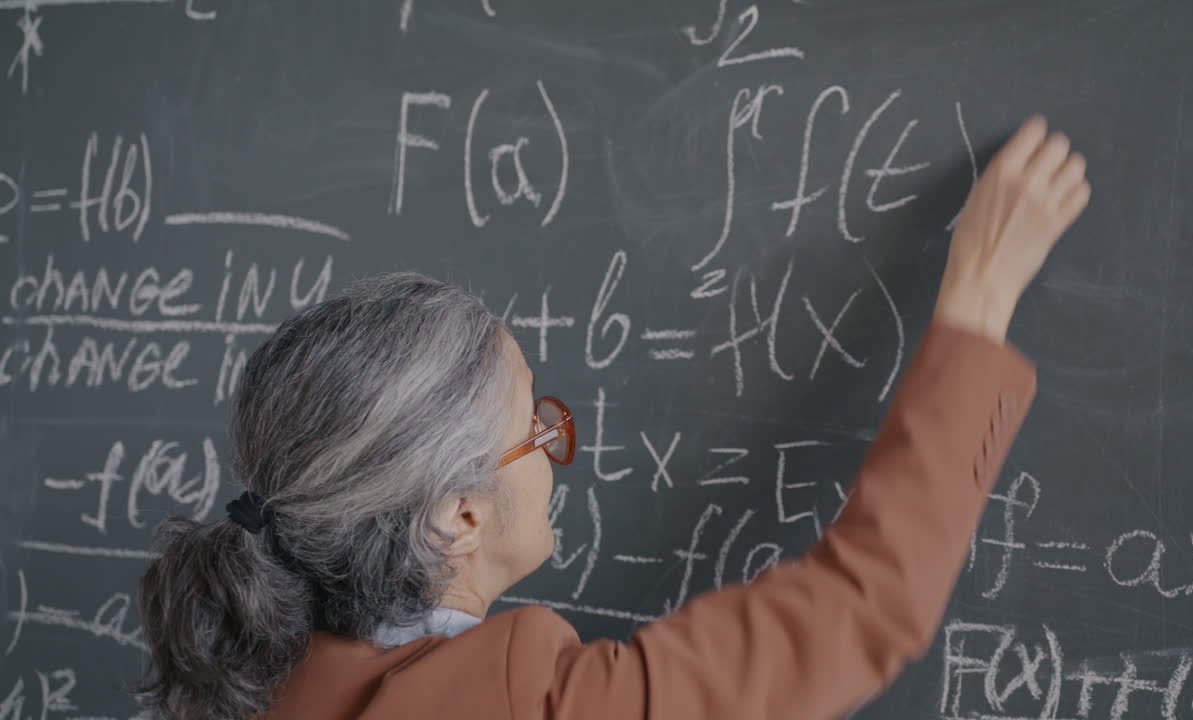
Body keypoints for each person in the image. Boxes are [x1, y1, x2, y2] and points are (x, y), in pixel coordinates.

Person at [135, 115, 1089, 720]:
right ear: (457, 515)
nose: (558, 454)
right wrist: (979, 293)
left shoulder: (271, 692)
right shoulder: (520, 699)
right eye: (539, 429)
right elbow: (860, 608)